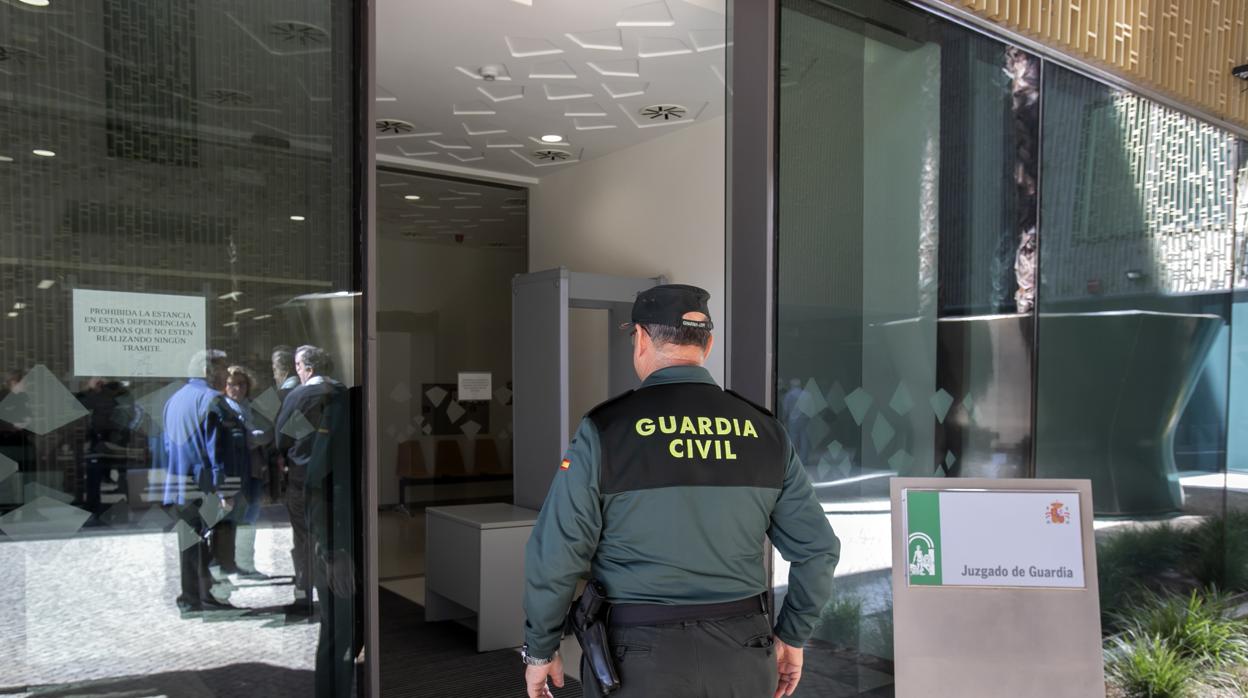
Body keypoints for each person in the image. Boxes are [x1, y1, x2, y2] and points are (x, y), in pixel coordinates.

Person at [521, 284, 840, 698]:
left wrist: (540, 648)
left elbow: (556, 554)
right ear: (707, 344)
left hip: (637, 658)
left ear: (639, 338)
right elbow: (818, 550)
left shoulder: (606, 430)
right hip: (743, 654)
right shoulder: (765, 432)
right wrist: (793, 634)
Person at [162, 349, 240, 614]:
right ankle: (207, 597)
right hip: (204, 485)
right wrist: (226, 490)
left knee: (189, 543)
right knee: (210, 543)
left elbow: (166, 446)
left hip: (177, 483)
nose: (226, 376)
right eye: (223, 370)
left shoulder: (173, 400)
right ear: (210, 372)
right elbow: (218, 451)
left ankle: (190, 598)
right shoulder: (213, 400)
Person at [275, 345, 339, 614]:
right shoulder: (343, 393)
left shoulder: (299, 396)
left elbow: (282, 438)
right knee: (333, 537)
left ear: (309, 369)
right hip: (337, 478)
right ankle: (335, 595)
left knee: (303, 538)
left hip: (303, 479)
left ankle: (304, 597)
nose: (296, 371)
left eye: (298, 366)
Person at [222, 366, 273, 577]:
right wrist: (253, 437)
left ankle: (244, 564)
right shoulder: (224, 408)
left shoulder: (250, 407)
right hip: (233, 473)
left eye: (241, 384)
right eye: (232, 384)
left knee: (249, 518)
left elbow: (268, 432)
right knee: (233, 520)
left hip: (254, 470)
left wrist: (256, 436)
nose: (237, 388)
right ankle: (231, 564)